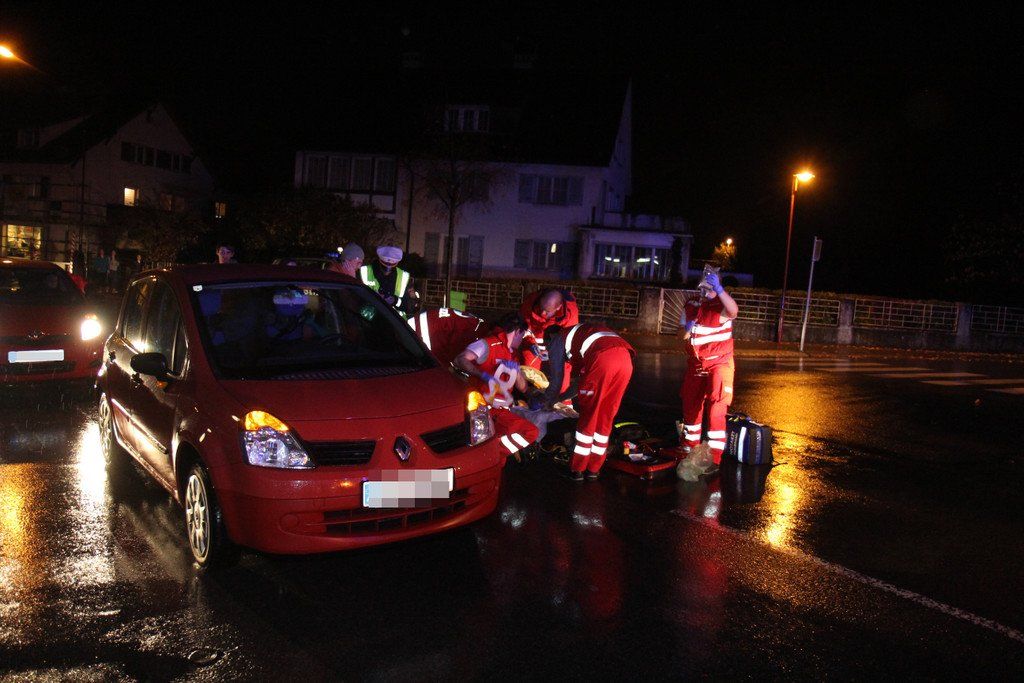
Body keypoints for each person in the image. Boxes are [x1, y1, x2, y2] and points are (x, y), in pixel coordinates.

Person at [543, 323, 635, 481]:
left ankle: (577, 469)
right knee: (605, 416)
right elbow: (581, 382)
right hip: (625, 360)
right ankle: (593, 469)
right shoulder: (582, 334)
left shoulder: (557, 340)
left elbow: (557, 378)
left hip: (603, 359)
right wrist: (561, 398)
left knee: (589, 415)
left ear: (551, 338)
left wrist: (549, 400)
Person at [676, 270, 739, 477]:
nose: (705, 291)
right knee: (691, 405)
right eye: (703, 287)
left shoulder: (722, 304)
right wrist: (687, 328)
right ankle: (689, 448)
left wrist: (720, 291)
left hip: (718, 363)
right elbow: (681, 334)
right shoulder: (692, 305)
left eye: (710, 287)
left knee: (716, 410)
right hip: (696, 364)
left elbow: (734, 311)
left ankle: (715, 458)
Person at [454, 314, 539, 462]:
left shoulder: (513, 354)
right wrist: (483, 375)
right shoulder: (486, 344)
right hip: (484, 410)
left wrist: (519, 374)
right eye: (522, 335)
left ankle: (491, 455)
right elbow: (460, 360)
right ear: (517, 331)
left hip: (501, 410)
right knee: (530, 432)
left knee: (500, 464)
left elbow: (522, 387)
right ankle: (491, 454)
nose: (522, 340)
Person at [520, 287, 579, 398]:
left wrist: (553, 353)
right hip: (534, 337)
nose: (542, 313)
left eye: (547, 311)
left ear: (558, 307)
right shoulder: (531, 302)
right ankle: (529, 396)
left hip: (555, 339)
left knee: (562, 369)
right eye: (541, 308)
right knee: (528, 369)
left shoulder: (570, 313)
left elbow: (569, 341)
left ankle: (561, 400)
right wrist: (531, 344)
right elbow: (524, 329)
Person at [408, 307, 488, 366]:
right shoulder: (474, 334)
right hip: (425, 335)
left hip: (419, 323)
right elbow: (455, 358)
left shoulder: (474, 322)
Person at [359, 245, 415, 318]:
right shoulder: (365, 271)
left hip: (394, 321)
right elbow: (354, 297)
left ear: (397, 263)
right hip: (370, 318)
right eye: (386, 264)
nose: (388, 268)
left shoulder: (404, 276)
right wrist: (373, 298)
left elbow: (410, 305)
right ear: (380, 260)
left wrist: (395, 301)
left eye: (392, 265)